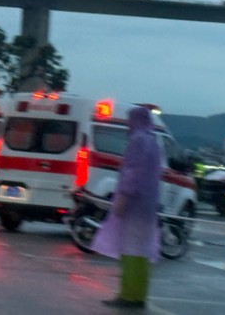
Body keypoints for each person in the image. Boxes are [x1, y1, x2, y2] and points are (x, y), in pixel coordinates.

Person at [90, 107, 163, 309]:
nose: (127, 124)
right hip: (147, 204)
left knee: (129, 250)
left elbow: (132, 171)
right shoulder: (153, 141)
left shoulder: (137, 140)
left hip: (134, 204)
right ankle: (138, 295)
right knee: (141, 251)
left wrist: (123, 196)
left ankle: (127, 294)